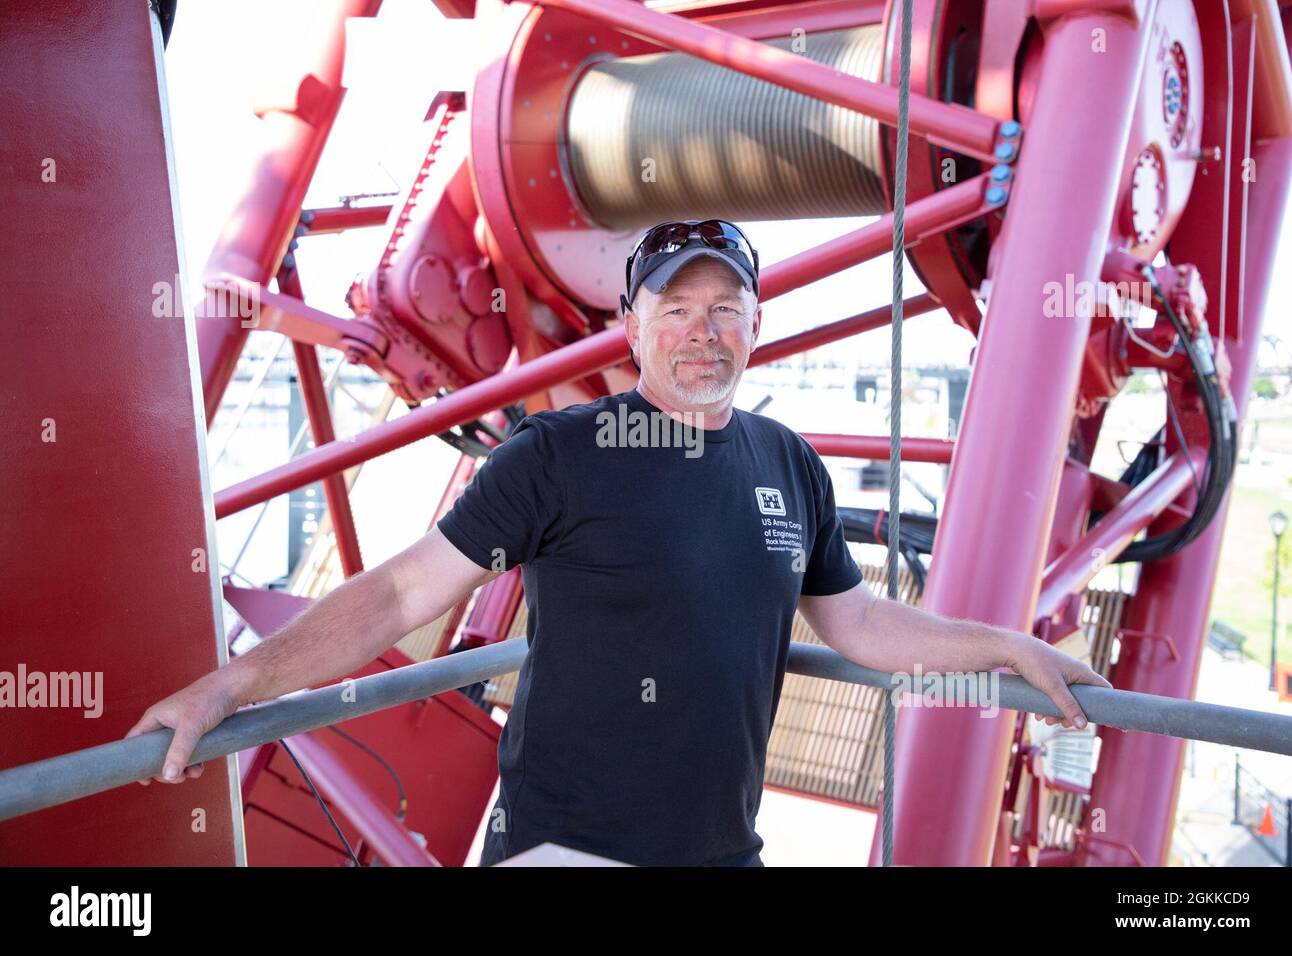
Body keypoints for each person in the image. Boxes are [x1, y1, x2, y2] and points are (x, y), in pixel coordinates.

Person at [126, 218, 1110, 866]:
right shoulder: (560, 453)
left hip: (725, 850)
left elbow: (857, 624)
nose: (703, 329)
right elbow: (395, 595)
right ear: (632, 328)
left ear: (756, 323)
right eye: (675, 308)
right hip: (567, 850)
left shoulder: (790, 463)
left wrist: (1006, 647)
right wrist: (231, 685)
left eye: (725, 306)